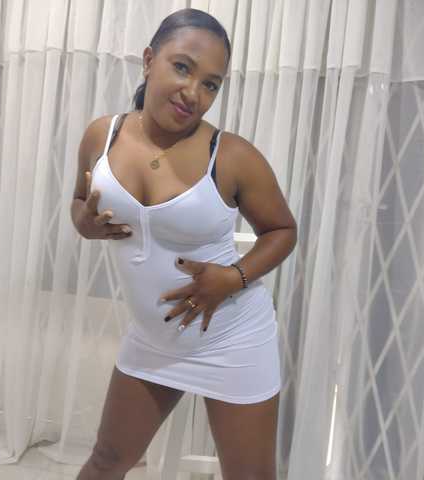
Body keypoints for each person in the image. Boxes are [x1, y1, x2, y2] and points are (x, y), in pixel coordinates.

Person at [71, 8, 297, 480]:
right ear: (148, 60)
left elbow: (282, 230)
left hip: (231, 338)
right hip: (152, 337)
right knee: (107, 462)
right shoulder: (102, 136)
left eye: (211, 84)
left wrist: (232, 277)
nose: (193, 93)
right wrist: (85, 224)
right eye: (182, 67)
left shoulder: (232, 156)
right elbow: (78, 202)